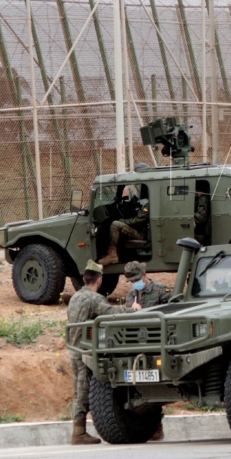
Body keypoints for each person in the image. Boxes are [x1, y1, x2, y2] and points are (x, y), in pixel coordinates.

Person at [66, 261, 141, 445]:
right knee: (83, 391)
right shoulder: (94, 299)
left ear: (84, 279)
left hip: (74, 350)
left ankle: (79, 430)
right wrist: (132, 310)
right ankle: (78, 432)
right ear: (99, 280)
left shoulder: (76, 297)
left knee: (79, 389)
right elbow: (112, 313)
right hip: (85, 352)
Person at [122, 261, 170, 441]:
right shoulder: (131, 296)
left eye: (137, 278)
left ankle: (157, 425)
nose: (135, 283)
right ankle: (151, 426)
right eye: (132, 280)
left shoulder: (160, 290)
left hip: (157, 343)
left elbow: (170, 314)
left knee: (156, 384)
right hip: (137, 344)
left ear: (145, 274)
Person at [98, 186, 149, 266]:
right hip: (138, 231)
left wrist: (121, 220)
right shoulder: (141, 202)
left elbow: (138, 221)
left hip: (142, 234)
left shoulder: (147, 204)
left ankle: (112, 255)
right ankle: (114, 253)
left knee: (115, 225)